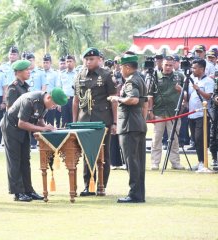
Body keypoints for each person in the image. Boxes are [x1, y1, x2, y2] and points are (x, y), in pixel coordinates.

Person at [1, 73, 68, 201]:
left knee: (25, 159)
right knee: (15, 160)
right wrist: (43, 129)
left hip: (23, 128)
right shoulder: (31, 100)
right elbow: (21, 123)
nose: (53, 107)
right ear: (49, 97)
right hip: (11, 127)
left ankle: (28, 190)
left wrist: (50, 127)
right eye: (54, 104)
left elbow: (39, 119)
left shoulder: (45, 103)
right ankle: (18, 192)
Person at [72, 47, 117, 196]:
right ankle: (89, 186)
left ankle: (101, 186)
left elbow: (113, 100)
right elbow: (76, 99)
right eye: (86, 59)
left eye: (92, 59)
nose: (88, 62)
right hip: (84, 120)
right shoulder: (80, 75)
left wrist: (115, 122)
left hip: (102, 120)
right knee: (87, 154)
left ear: (99, 59)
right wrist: (74, 122)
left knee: (104, 154)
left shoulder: (106, 75)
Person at [108, 53, 148, 203]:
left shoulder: (131, 81)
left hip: (129, 125)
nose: (120, 70)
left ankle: (134, 194)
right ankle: (138, 194)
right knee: (138, 161)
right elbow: (144, 104)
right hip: (137, 123)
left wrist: (117, 98)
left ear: (127, 67)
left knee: (131, 161)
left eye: (121, 67)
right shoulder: (140, 79)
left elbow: (133, 99)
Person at [147, 56, 185, 170]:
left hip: (174, 112)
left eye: (170, 65)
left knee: (174, 138)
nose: (168, 67)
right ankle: (155, 162)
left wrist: (181, 89)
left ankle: (175, 162)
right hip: (159, 111)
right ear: (161, 64)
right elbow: (150, 95)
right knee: (157, 138)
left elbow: (186, 94)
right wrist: (150, 110)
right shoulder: (154, 76)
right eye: (166, 65)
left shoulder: (180, 76)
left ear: (174, 65)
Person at [188, 59, 215, 171]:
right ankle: (200, 162)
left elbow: (208, 96)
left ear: (202, 69)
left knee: (200, 139)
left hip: (202, 114)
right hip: (192, 114)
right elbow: (190, 95)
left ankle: (204, 162)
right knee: (195, 139)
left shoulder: (208, 81)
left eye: (195, 68)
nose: (192, 70)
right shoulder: (192, 80)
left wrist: (198, 89)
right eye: (192, 68)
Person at [24, 52, 47, 148]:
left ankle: (34, 142)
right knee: (26, 120)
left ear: (34, 61)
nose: (30, 62)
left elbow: (44, 86)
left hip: (37, 101)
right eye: (28, 61)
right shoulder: (24, 72)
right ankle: (28, 141)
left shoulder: (40, 72)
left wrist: (42, 100)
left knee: (36, 120)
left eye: (31, 60)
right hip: (27, 100)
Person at [59, 54, 77, 127]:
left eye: (70, 61)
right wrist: (59, 103)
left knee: (74, 121)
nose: (68, 63)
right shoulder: (62, 74)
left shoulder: (78, 73)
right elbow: (60, 88)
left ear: (74, 62)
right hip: (65, 100)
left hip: (75, 100)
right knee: (65, 122)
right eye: (67, 61)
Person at [42, 54, 60, 126]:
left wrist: (57, 102)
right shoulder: (40, 73)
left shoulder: (55, 74)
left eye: (47, 62)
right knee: (40, 121)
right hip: (41, 101)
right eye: (44, 62)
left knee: (50, 122)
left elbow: (57, 88)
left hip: (51, 101)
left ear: (50, 63)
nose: (45, 64)